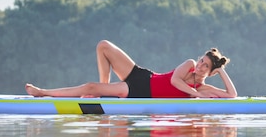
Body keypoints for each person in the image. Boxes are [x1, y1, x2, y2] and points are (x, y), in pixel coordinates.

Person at [25, 40, 238, 98]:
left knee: (90, 86)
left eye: (206, 66)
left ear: (210, 72)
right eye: (202, 60)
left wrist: (221, 72)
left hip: (140, 92)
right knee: (103, 46)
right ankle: (103, 92)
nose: (200, 65)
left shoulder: (201, 89)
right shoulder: (189, 65)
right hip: (142, 76)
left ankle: (43, 92)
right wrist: (195, 95)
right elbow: (174, 82)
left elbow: (232, 95)